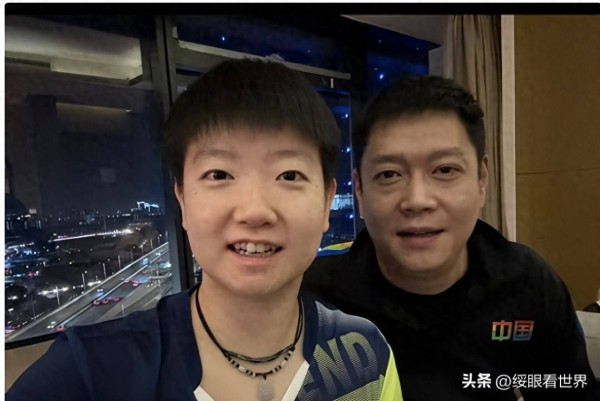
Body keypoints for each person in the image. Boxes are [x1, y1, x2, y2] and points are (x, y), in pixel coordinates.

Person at [7, 59, 402, 401]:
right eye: (219, 174)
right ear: (181, 199)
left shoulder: (364, 356)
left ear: (327, 201)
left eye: (289, 175)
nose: (254, 210)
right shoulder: (93, 373)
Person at [303, 75, 599, 401]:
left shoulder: (528, 285)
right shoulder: (313, 300)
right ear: (359, 190)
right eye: (389, 174)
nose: (417, 200)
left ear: (482, 179)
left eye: (444, 170)